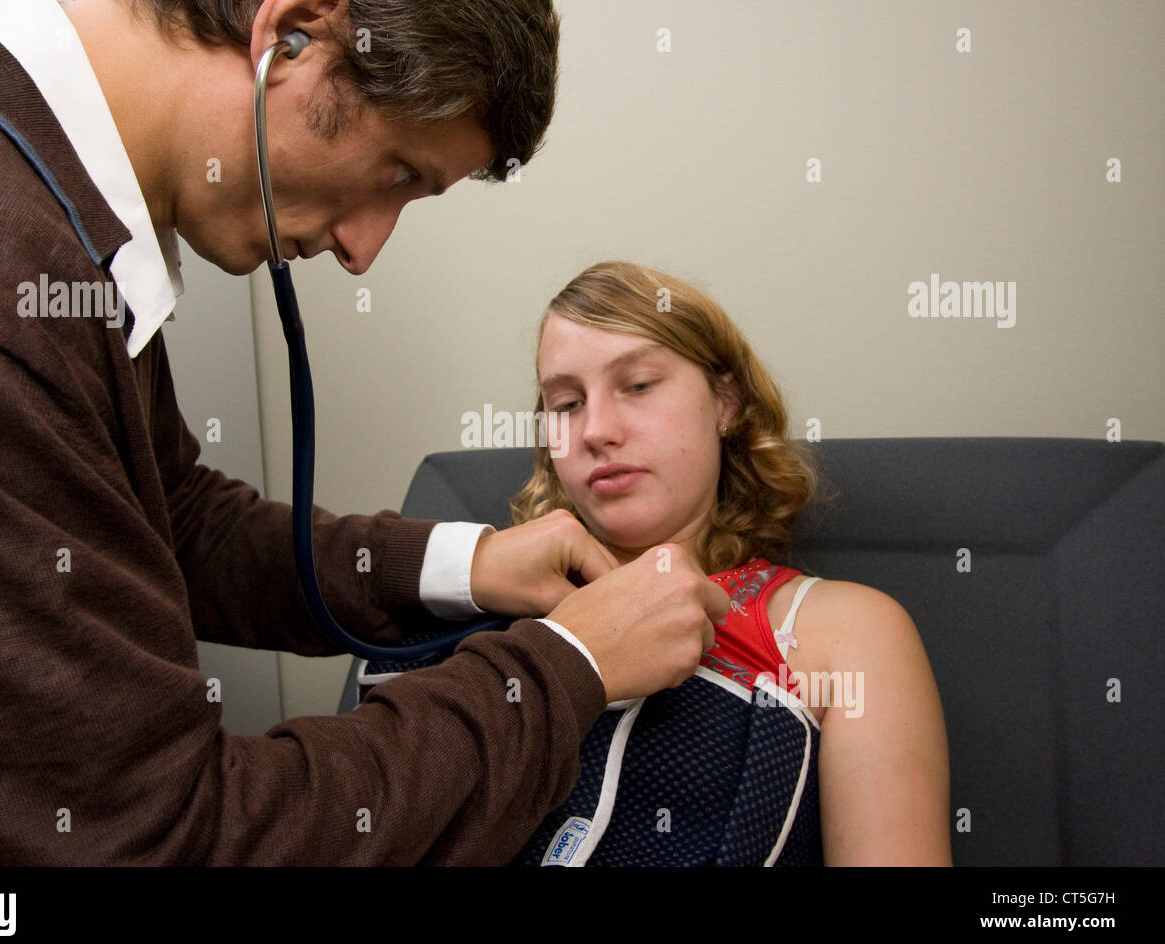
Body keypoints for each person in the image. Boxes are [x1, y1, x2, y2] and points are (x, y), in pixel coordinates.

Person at [0, 0, 732, 864]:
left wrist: (461, 566)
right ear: (294, 34)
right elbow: (161, 840)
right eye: (397, 175)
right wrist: (563, 669)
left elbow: (171, 520)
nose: (362, 251)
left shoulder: (20, 203)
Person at [364, 261, 951, 864]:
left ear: (726, 401)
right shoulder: (478, 608)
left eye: (639, 385)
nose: (597, 430)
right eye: (565, 403)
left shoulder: (840, 634)